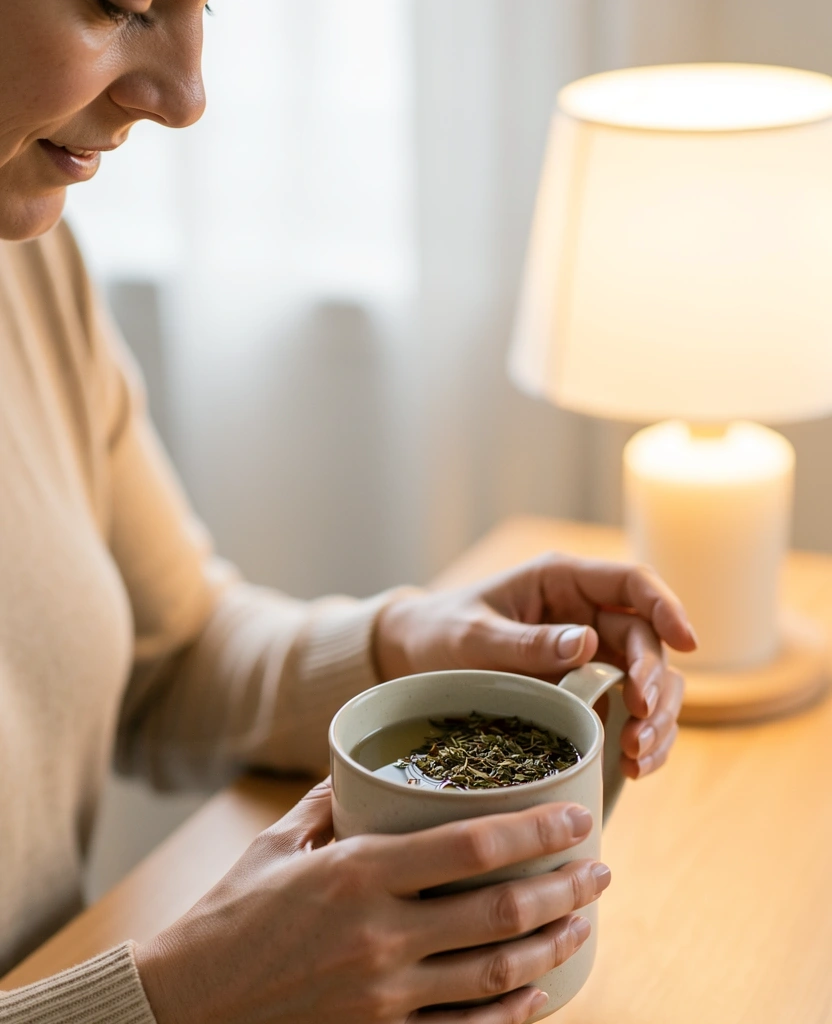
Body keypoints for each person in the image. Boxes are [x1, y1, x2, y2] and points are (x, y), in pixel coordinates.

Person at [0, 2, 696, 1022]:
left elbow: (176, 651)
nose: (189, 98)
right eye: (119, 5)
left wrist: (407, 644)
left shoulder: (29, 264)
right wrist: (176, 999)